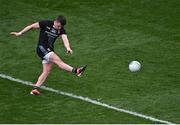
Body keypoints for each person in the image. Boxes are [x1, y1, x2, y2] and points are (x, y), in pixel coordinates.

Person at [10, 15, 87, 95]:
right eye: (59, 26)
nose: (59, 28)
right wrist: (20, 33)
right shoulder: (45, 23)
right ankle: (76, 71)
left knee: (47, 71)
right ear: (56, 22)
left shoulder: (61, 30)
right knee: (57, 60)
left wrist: (68, 48)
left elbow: (65, 39)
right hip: (41, 48)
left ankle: (35, 89)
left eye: (61, 27)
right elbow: (31, 26)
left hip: (49, 50)